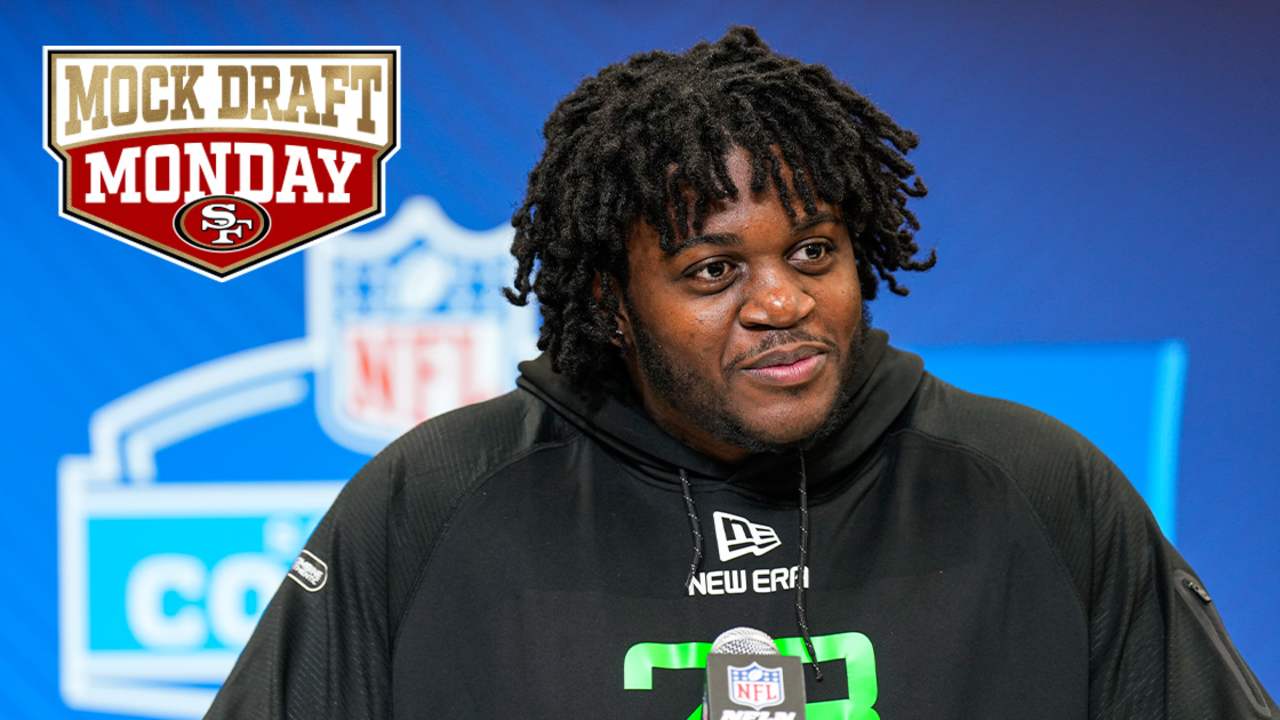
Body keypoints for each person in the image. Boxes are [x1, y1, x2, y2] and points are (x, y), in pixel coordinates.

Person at [206, 26, 1276, 719]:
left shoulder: (1038, 485)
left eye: (812, 252)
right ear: (610, 304)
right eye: (712, 270)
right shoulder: (433, 500)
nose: (781, 303)